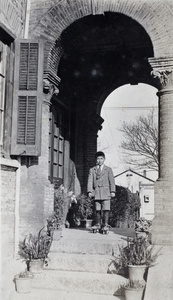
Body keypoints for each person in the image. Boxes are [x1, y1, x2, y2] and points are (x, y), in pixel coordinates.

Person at [87, 151, 115, 232]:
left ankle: (105, 225)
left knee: (106, 209)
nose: (99, 160)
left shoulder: (108, 170)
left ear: (104, 159)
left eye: (101, 159)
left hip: (106, 192)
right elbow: (90, 181)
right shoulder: (92, 170)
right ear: (96, 160)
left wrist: (112, 191)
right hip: (96, 192)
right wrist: (89, 191)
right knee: (97, 209)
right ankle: (97, 224)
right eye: (98, 159)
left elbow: (112, 181)